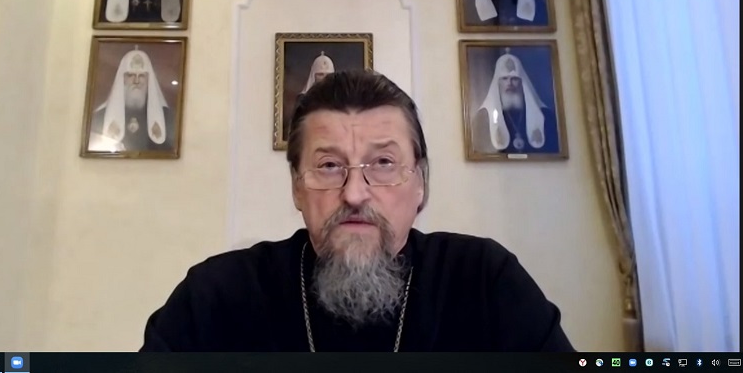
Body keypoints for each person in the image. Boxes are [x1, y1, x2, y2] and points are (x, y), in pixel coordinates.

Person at [140, 69, 575, 351]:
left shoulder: (485, 280)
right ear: (296, 186)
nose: (353, 193)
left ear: (420, 183)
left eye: (382, 163)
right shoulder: (216, 296)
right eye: (329, 166)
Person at [89, 48, 175, 152]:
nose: (136, 81)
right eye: (131, 75)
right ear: (123, 79)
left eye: (142, 76)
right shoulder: (100, 117)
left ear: (148, 80)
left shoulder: (167, 118)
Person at [472, 52, 559, 154]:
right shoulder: (483, 117)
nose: (509, 83)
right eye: (504, 79)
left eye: (514, 79)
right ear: (498, 83)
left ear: (522, 83)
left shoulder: (545, 115)